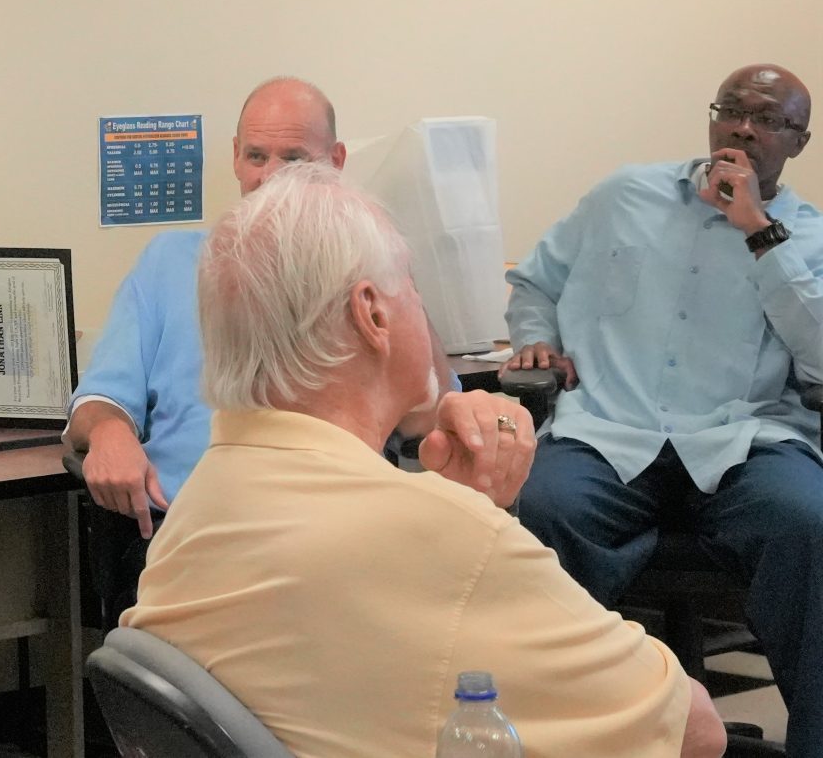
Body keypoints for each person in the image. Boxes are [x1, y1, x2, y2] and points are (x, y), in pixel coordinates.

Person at [127, 164, 726, 758]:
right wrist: (473, 529)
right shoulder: (437, 534)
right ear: (374, 314)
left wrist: (465, 516)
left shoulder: (197, 512)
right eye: (412, 288)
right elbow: (694, 729)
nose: (420, 307)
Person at [507, 63, 823, 756]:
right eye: (732, 110)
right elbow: (535, 281)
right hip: (610, 430)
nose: (743, 127)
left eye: (767, 119)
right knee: (538, 510)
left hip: (741, 442)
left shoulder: (808, 235)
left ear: (799, 141)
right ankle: (565, 734)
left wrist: (758, 230)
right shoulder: (624, 195)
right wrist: (537, 340)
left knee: (812, 523)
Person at [67, 78, 349, 547]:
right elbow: (99, 399)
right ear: (236, 157)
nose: (269, 177)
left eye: (294, 159)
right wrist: (109, 431)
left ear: (334, 163)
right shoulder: (171, 262)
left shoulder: (365, 268)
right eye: (256, 156)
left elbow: (425, 408)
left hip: (330, 534)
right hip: (187, 532)